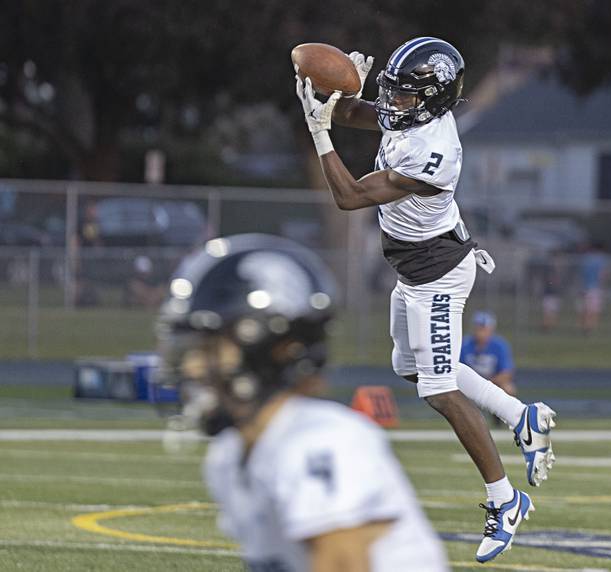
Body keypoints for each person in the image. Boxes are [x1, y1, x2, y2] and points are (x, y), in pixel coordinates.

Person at [293, 37, 556, 562]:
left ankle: (504, 500)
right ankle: (521, 417)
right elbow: (359, 112)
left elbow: (349, 198)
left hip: (439, 274)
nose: (395, 102)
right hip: (416, 271)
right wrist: (330, 97)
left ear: (432, 101)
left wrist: (321, 135)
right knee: (409, 367)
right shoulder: (411, 116)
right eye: (394, 90)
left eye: (407, 95)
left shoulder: (431, 150)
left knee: (437, 387)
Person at [156, 234, 450, 572]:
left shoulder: (319, 441)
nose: (192, 366)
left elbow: (344, 564)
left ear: (268, 347)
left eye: (210, 348)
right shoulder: (229, 456)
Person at [460, 311, 516, 427]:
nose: (481, 332)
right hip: (469, 382)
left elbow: (507, 372)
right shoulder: (465, 344)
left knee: (508, 388)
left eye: (484, 329)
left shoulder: (499, 345)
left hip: (492, 382)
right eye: (478, 328)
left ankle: (500, 420)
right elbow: (458, 368)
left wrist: (488, 382)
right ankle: (465, 422)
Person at [578, 241, 606, 334]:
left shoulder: (585, 259)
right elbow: (601, 275)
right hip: (595, 288)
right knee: (594, 310)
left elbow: (581, 274)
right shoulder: (600, 259)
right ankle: (589, 328)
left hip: (584, 287)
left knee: (586, 308)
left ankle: (585, 327)